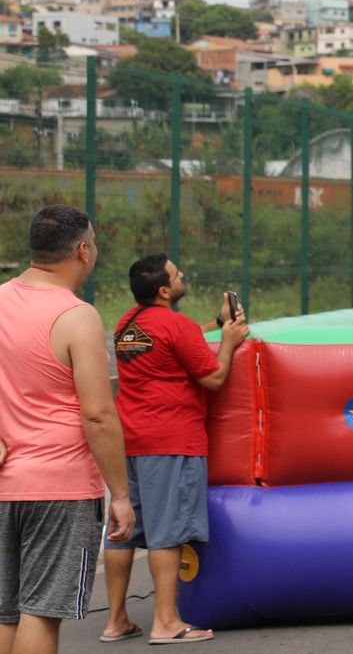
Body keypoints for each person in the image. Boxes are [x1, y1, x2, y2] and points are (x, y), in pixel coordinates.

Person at [0, 205, 134, 654]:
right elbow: (97, 414)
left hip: (5, 482)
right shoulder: (77, 316)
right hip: (60, 487)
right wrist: (120, 494)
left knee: (5, 612)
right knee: (40, 610)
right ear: (82, 251)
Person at [100, 255, 250, 645]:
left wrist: (217, 326)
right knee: (167, 532)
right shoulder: (176, 325)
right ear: (165, 290)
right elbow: (214, 378)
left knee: (123, 531)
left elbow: (174, 340)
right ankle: (165, 622)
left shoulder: (127, 324)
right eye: (177, 275)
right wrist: (230, 341)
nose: (182, 276)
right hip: (170, 439)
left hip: (128, 440)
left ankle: (115, 621)